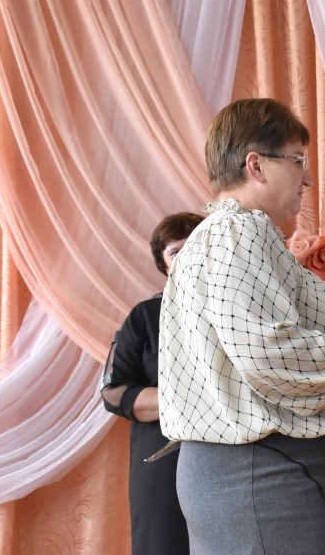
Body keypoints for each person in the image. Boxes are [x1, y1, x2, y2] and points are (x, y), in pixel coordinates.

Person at [158, 98, 325, 554]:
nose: (307, 178)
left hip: (258, 477)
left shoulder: (222, 235)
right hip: (264, 480)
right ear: (256, 165)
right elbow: (267, 351)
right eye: (297, 161)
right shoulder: (238, 232)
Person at [101, 212, 203, 555]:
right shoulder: (143, 316)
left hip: (237, 458)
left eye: (196, 245)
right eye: (176, 251)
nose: (187, 256)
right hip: (160, 461)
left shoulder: (244, 310)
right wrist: (190, 400)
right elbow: (114, 391)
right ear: (163, 263)